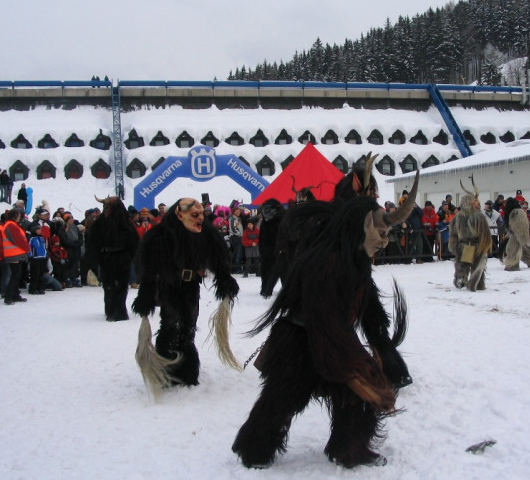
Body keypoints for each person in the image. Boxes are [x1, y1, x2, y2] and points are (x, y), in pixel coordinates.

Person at [232, 198, 410, 469]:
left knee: (356, 397)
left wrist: (379, 343)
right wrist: (351, 357)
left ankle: (349, 449)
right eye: (381, 234)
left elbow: (367, 306)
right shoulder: (328, 260)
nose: (385, 242)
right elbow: (321, 314)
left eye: (388, 235)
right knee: (281, 400)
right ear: (362, 226)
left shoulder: (356, 261)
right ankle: (254, 450)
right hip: (299, 344)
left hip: (332, 339)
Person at [132, 197, 239, 388]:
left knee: (188, 326)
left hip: (191, 286)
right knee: (170, 324)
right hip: (168, 285)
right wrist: (146, 293)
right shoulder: (160, 236)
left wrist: (224, 279)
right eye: (194, 215)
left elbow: (218, 259)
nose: (200, 219)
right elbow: (148, 268)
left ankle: (185, 370)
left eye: (201, 215)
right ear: (180, 215)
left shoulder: (204, 234)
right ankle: (167, 368)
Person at [85, 196, 139, 321]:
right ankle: (110, 309)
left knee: (121, 285)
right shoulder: (100, 223)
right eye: (105, 207)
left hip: (122, 257)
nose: (106, 209)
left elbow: (133, 242)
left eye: (108, 207)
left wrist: (128, 257)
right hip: (106, 257)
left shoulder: (125, 222)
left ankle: (119, 311)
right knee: (108, 285)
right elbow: (92, 242)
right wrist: (96, 257)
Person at [448, 184, 491, 291]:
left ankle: (462, 279)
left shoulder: (457, 217)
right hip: (475, 244)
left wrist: (453, 245)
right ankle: (476, 282)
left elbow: (453, 235)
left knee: (464, 264)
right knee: (476, 265)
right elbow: (485, 234)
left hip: (466, 245)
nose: (477, 203)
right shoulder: (478, 216)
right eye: (474, 202)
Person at [0, 208, 30, 305]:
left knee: (16, 275)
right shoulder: (11, 225)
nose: (20, 217)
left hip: (14, 253)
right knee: (15, 276)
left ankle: (15, 295)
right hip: (14, 254)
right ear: (14, 216)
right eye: (18, 216)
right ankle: (9, 296)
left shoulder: (10, 225)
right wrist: (27, 248)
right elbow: (18, 239)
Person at [28, 223, 48, 295]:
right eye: (38, 229)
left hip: (42, 258)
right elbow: (29, 248)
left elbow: (44, 247)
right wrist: (30, 256)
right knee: (35, 274)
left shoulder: (42, 238)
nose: (40, 230)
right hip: (35, 258)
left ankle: (39, 288)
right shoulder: (32, 239)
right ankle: (33, 288)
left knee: (41, 274)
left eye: (40, 229)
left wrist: (45, 255)